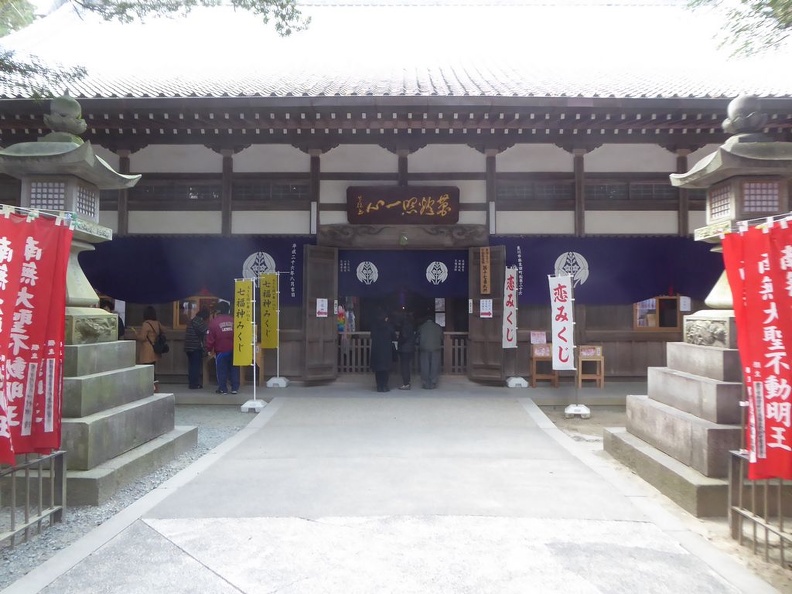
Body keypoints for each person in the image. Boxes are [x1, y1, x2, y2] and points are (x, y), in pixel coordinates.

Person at [205, 300, 239, 394]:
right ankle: (235, 388)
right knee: (234, 369)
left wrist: (208, 349)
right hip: (234, 350)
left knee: (221, 370)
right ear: (228, 310)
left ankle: (223, 389)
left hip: (221, 350)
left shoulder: (214, 322)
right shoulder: (234, 320)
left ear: (218, 310)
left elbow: (210, 338)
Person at [184, 306, 210, 390]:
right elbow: (207, 332)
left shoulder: (193, 320)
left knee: (191, 366)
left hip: (188, 346)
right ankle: (194, 384)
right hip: (195, 347)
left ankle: (192, 383)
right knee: (195, 366)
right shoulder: (199, 322)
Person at [369, 309, 395, 393]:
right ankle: (385, 386)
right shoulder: (388, 326)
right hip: (386, 350)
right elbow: (393, 335)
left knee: (378, 370)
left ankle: (379, 386)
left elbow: (372, 335)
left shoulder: (374, 326)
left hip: (376, 350)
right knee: (385, 370)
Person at [135, 305, 164, 374]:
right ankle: (154, 383)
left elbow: (142, 338)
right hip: (155, 349)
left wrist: (137, 335)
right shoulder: (157, 323)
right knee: (152, 368)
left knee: (147, 371)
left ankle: (152, 384)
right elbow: (163, 330)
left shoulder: (146, 324)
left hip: (147, 350)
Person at [418, 315, 443, 389]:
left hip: (424, 348)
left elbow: (418, 336)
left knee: (425, 365)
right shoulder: (438, 327)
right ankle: (433, 382)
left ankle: (425, 383)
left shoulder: (422, 327)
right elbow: (442, 337)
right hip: (435, 348)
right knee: (434, 365)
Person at [396, 311, 415, 390]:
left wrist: (398, 341)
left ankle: (406, 383)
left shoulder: (404, 326)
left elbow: (404, 337)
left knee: (404, 367)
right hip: (410, 348)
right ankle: (408, 382)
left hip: (404, 349)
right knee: (407, 366)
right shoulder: (411, 325)